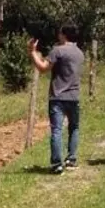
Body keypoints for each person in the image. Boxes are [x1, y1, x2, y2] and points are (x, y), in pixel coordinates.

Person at [28, 25, 84, 174]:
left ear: (64, 35)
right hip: (74, 96)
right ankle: (71, 159)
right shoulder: (79, 53)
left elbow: (43, 68)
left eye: (59, 32)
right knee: (74, 128)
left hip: (58, 97)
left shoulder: (57, 50)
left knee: (57, 130)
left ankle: (57, 164)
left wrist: (32, 52)